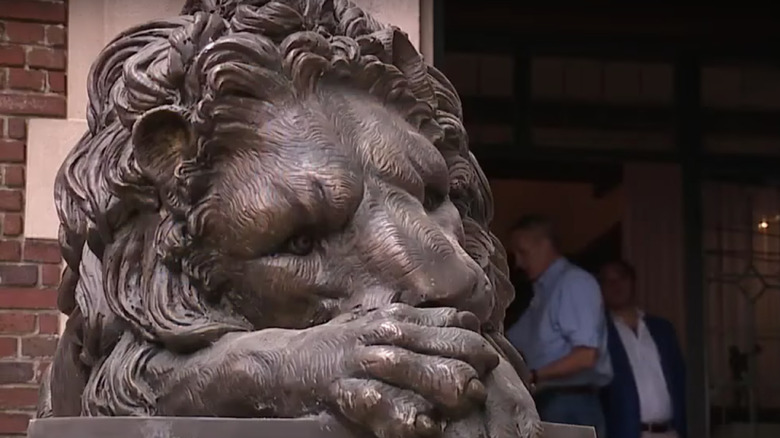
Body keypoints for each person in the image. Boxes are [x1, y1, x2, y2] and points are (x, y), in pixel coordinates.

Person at [505, 215, 612, 437]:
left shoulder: (574, 284)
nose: (519, 263)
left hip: (571, 403)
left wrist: (534, 375)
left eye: (523, 252)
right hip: (548, 401)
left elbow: (585, 355)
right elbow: (512, 342)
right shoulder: (542, 294)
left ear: (545, 245)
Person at [598, 260, 687, 438]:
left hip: (671, 431)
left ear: (632, 282)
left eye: (620, 278)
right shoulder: (599, 333)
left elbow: (680, 379)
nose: (615, 285)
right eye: (607, 281)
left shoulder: (662, 329)